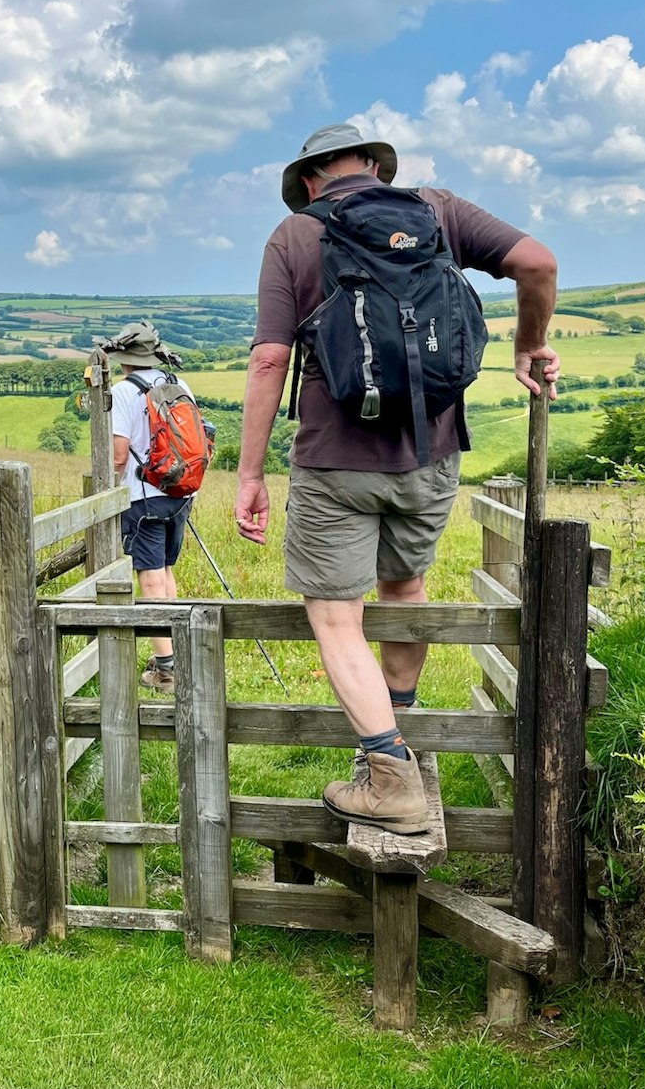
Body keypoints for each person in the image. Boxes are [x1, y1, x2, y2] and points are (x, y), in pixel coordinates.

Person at [234, 123, 561, 833]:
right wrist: (531, 343)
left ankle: (389, 775)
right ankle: (396, 743)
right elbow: (537, 261)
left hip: (333, 461)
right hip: (431, 454)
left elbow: (267, 360)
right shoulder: (438, 209)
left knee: (334, 615)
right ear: (376, 167)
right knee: (404, 588)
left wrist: (250, 473)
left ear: (311, 178)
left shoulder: (293, 236)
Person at [100, 320, 198, 694]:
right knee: (167, 573)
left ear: (125, 359)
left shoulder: (123, 391)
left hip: (144, 495)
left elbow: (119, 454)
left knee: (150, 576)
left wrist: (108, 491)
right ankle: (172, 653)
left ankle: (168, 671)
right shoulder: (177, 384)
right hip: (180, 490)